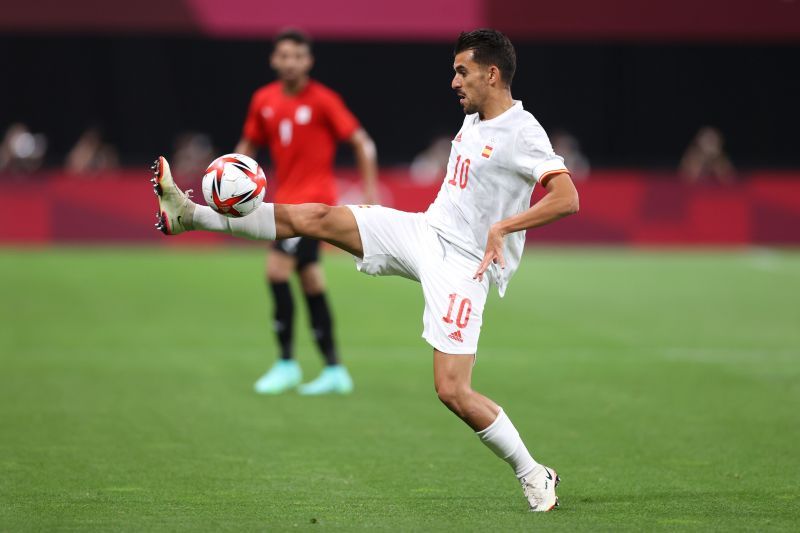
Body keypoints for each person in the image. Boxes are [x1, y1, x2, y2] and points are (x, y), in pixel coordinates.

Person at [151, 29, 578, 511]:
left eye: (462, 71)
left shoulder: (522, 131)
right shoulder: (475, 118)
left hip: (464, 265)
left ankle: (533, 472)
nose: (454, 81)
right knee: (315, 217)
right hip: (423, 231)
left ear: (492, 73)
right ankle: (188, 215)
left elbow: (567, 198)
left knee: (452, 390)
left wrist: (505, 227)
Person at [235, 29, 378, 396]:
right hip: (284, 205)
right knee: (312, 280)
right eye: (284, 55)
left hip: (312, 208)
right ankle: (334, 370)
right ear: (274, 60)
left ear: (308, 61)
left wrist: (370, 194)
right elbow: (249, 143)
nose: (290, 62)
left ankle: (286, 364)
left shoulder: (324, 101)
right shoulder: (263, 99)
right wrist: (231, 177)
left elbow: (363, 142)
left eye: (297, 56)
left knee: (276, 271)